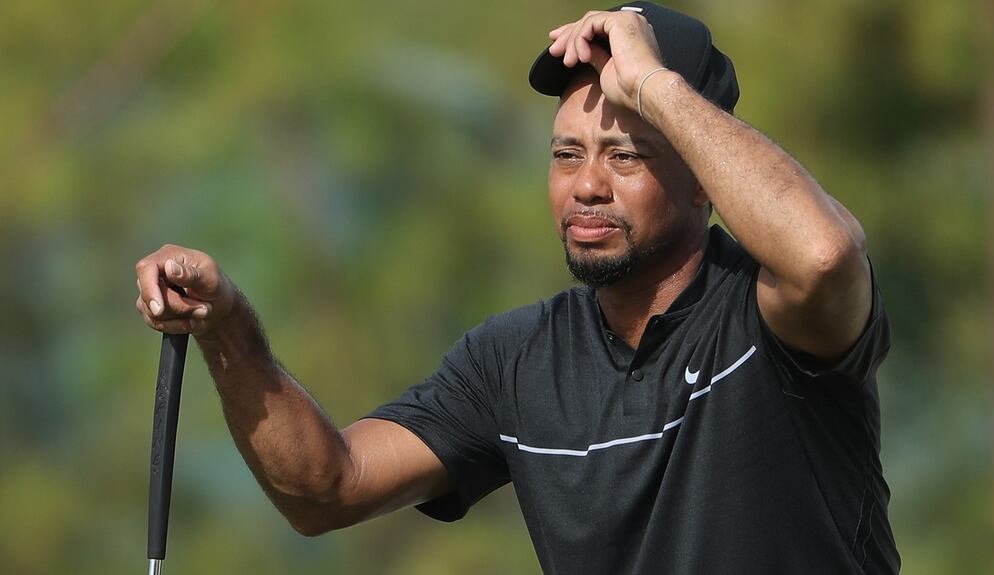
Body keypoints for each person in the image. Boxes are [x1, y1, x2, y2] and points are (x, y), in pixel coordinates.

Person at [133, 2, 899, 573]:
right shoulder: (515, 361)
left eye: (626, 155)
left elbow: (826, 254)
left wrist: (651, 83)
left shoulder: (772, 314)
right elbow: (325, 487)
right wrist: (224, 325)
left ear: (703, 182)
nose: (587, 185)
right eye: (566, 154)